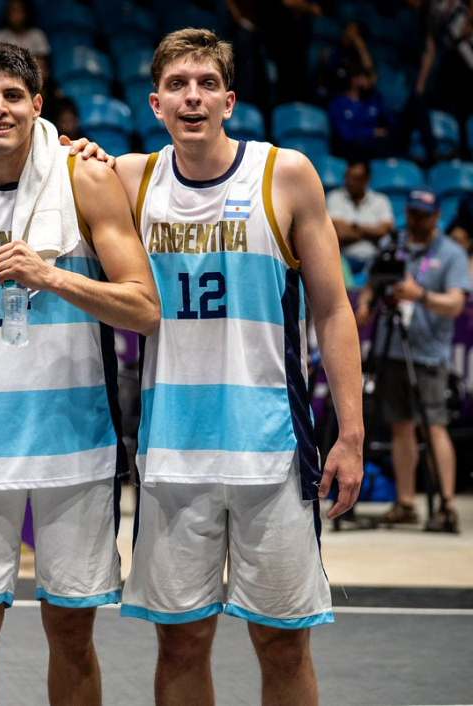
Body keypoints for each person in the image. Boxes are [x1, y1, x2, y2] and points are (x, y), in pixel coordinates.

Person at [115, 29, 362, 706]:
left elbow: (334, 310)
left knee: (282, 640)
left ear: (229, 99)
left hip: (271, 453)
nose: (191, 96)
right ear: (155, 103)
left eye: (204, 84)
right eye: (177, 85)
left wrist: (350, 433)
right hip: (173, 453)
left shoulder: (285, 174)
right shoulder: (130, 180)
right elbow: (30, 160)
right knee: (181, 641)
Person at [0, 42, 160, 706]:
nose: (0, 108)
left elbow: (144, 306)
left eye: (13, 96)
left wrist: (50, 274)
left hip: (72, 443)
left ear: (38, 106)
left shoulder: (84, 179)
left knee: (72, 636)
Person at [357, 190, 470, 533]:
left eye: (425, 215)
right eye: (413, 213)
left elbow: (456, 304)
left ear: (437, 217)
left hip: (429, 352)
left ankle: (447, 503)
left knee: (434, 425)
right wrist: (365, 304)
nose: (418, 220)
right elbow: (373, 284)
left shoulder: (451, 254)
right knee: (400, 426)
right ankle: (406, 503)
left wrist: (419, 295)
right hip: (392, 349)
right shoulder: (395, 247)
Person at [326, 159, 395, 272]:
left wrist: (354, 227)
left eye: (356, 179)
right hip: (343, 260)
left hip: (374, 260)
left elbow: (385, 230)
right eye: (348, 177)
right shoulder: (334, 198)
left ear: (367, 179)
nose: (351, 182)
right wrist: (372, 233)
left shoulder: (381, 200)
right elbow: (339, 233)